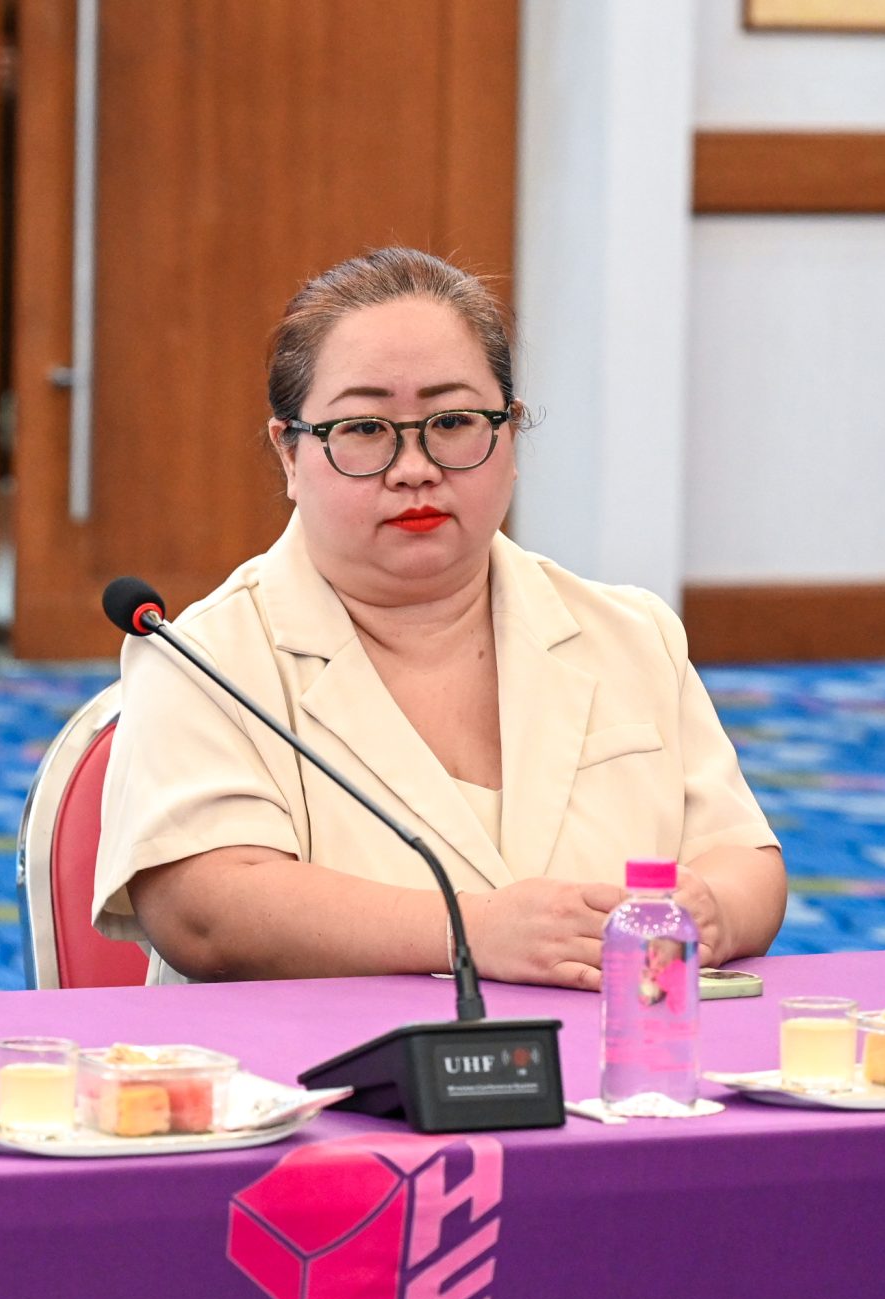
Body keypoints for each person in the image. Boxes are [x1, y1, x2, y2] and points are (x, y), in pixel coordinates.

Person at [93, 247, 784, 990]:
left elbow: (743, 857)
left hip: (617, 1052)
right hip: (325, 1060)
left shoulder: (631, 632)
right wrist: (471, 931)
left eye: (452, 421)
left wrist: (711, 909)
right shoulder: (204, 656)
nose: (415, 467)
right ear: (290, 453)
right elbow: (204, 910)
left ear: (511, 435)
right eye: (365, 428)